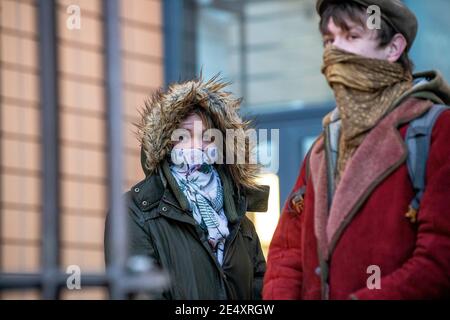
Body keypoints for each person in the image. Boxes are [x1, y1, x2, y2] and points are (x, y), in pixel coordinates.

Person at [263, 0, 450, 299]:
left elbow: (439, 260)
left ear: (394, 48)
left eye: (351, 36)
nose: (334, 51)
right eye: (329, 40)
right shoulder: (321, 150)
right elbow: (287, 254)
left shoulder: (437, 130)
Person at [104, 76, 269, 300]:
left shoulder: (239, 220)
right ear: (167, 144)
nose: (198, 146)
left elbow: (262, 293)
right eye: (185, 135)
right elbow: (138, 293)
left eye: (208, 137)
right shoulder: (135, 211)